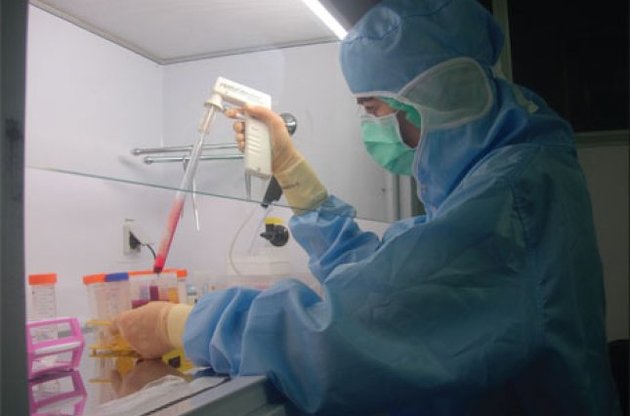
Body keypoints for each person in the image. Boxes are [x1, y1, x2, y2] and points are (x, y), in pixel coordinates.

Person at [111, 0, 623, 414]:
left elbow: (344, 339)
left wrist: (182, 324)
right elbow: (388, 279)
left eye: (373, 109)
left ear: (433, 97)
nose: (371, 126)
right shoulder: (505, 177)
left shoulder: (512, 197)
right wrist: (293, 172)